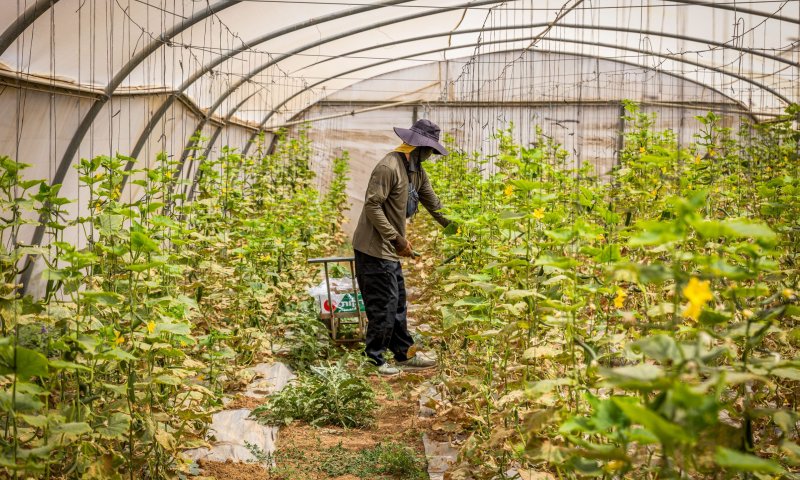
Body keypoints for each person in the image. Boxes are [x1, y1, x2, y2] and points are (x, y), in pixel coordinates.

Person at [352, 119, 452, 375]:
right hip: (374, 248)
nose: (431, 155)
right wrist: (397, 239)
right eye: (429, 149)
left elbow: (434, 203)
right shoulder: (388, 167)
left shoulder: (416, 171)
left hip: (389, 249)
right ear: (418, 147)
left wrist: (459, 229)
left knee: (398, 304)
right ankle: (373, 360)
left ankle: (403, 355)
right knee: (383, 304)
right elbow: (372, 206)